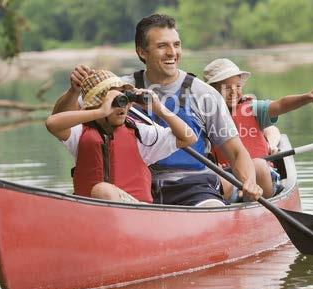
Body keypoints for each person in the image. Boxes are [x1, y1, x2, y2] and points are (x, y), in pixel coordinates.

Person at [51, 14, 262, 207]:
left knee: (212, 207)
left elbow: (236, 152)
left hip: (194, 187)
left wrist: (250, 182)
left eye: (176, 45)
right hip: (138, 188)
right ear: (142, 52)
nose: (172, 52)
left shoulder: (204, 94)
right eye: (162, 46)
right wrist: (73, 91)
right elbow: (60, 121)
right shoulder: (120, 88)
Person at [46, 69, 197, 204]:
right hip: (92, 216)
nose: (123, 106)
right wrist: (101, 111)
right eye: (116, 101)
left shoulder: (140, 133)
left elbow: (189, 137)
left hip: (138, 214)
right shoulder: (80, 134)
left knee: (102, 190)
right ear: (94, 105)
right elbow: (52, 123)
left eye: (125, 99)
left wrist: (159, 108)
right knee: (102, 191)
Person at [203, 58, 313, 201]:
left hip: (263, 177)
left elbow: (280, 105)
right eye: (227, 88)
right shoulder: (204, 116)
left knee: (258, 166)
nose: (234, 92)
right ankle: (232, 202)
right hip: (228, 176)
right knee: (215, 177)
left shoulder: (255, 109)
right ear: (211, 91)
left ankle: (250, 199)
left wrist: (307, 98)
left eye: (237, 87)